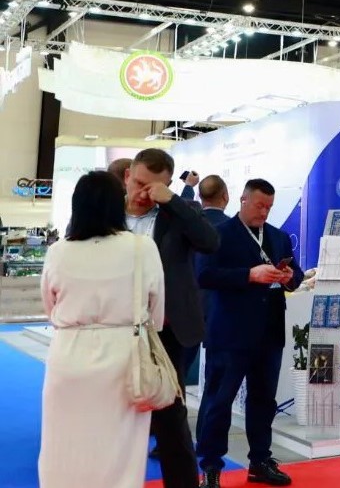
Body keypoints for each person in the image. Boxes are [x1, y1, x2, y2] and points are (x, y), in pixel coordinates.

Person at [39, 171, 165, 488]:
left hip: (68, 353)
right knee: (122, 448)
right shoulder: (142, 247)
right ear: (117, 204)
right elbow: (157, 312)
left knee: (64, 442)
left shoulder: (59, 251)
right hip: (125, 356)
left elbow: (50, 306)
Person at [195, 179, 304, 487]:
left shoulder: (278, 236)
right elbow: (204, 275)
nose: (264, 212)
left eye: (269, 207)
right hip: (230, 332)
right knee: (219, 401)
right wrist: (248, 275)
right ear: (242, 200)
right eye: (259, 206)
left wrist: (288, 276)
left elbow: (297, 275)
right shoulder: (220, 234)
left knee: (263, 401)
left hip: (269, 332)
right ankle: (210, 467)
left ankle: (260, 460)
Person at [124, 148, 219, 487]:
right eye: (139, 183)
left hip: (165, 330)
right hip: (115, 328)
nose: (143, 193)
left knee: (171, 418)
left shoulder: (180, 213)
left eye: (154, 187)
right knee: (114, 416)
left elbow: (210, 242)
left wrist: (173, 201)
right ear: (127, 176)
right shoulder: (104, 214)